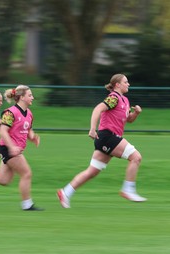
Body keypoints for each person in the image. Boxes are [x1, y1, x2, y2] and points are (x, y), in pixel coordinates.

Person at [57, 74, 147, 208]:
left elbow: (128, 120)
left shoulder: (125, 100)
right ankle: (128, 190)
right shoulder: (113, 98)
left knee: (92, 172)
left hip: (107, 139)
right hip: (107, 137)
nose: (128, 84)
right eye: (126, 82)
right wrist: (92, 129)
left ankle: (66, 192)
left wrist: (137, 113)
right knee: (136, 157)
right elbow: (98, 109)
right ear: (117, 84)